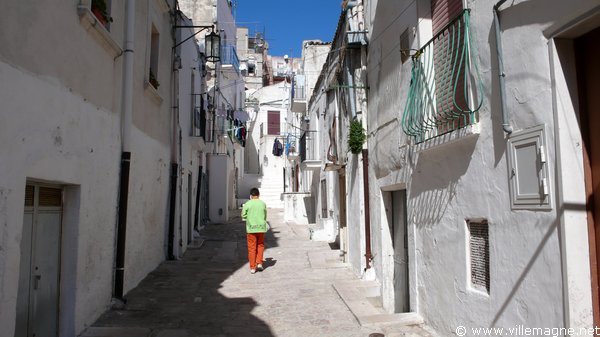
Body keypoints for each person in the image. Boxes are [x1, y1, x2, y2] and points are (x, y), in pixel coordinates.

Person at [241, 187, 268, 274]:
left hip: (251, 229)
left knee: (252, 248)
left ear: (251, 196)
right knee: (260, 245)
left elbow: (243, 215)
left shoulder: (248, 204)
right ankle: (259, 263)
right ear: (258, 195)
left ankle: (253, 267)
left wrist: (247, 218)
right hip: (261, 228)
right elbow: (265, 215)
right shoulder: (263, 204)